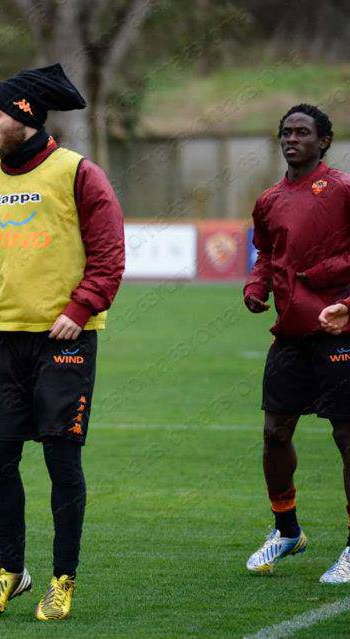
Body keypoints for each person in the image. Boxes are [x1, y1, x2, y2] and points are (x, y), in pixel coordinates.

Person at [0, 65, 125, 619]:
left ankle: (63, 578)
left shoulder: (78, 173)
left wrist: (80, 309)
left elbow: (109, 255)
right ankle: (9, 571)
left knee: (61, 462)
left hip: (64, 342)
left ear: (24, 116)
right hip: (2, 340)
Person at [245, 104, 350, 585]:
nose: (292, 139)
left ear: (323, 141)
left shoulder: (343, 189)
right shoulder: (268, 200)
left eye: (303, 132)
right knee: (274, 433)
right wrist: (256, 286)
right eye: (285, 131)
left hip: (339, 331)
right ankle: (286, 528)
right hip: (290, 335)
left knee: (346, 437)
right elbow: (266, 252)